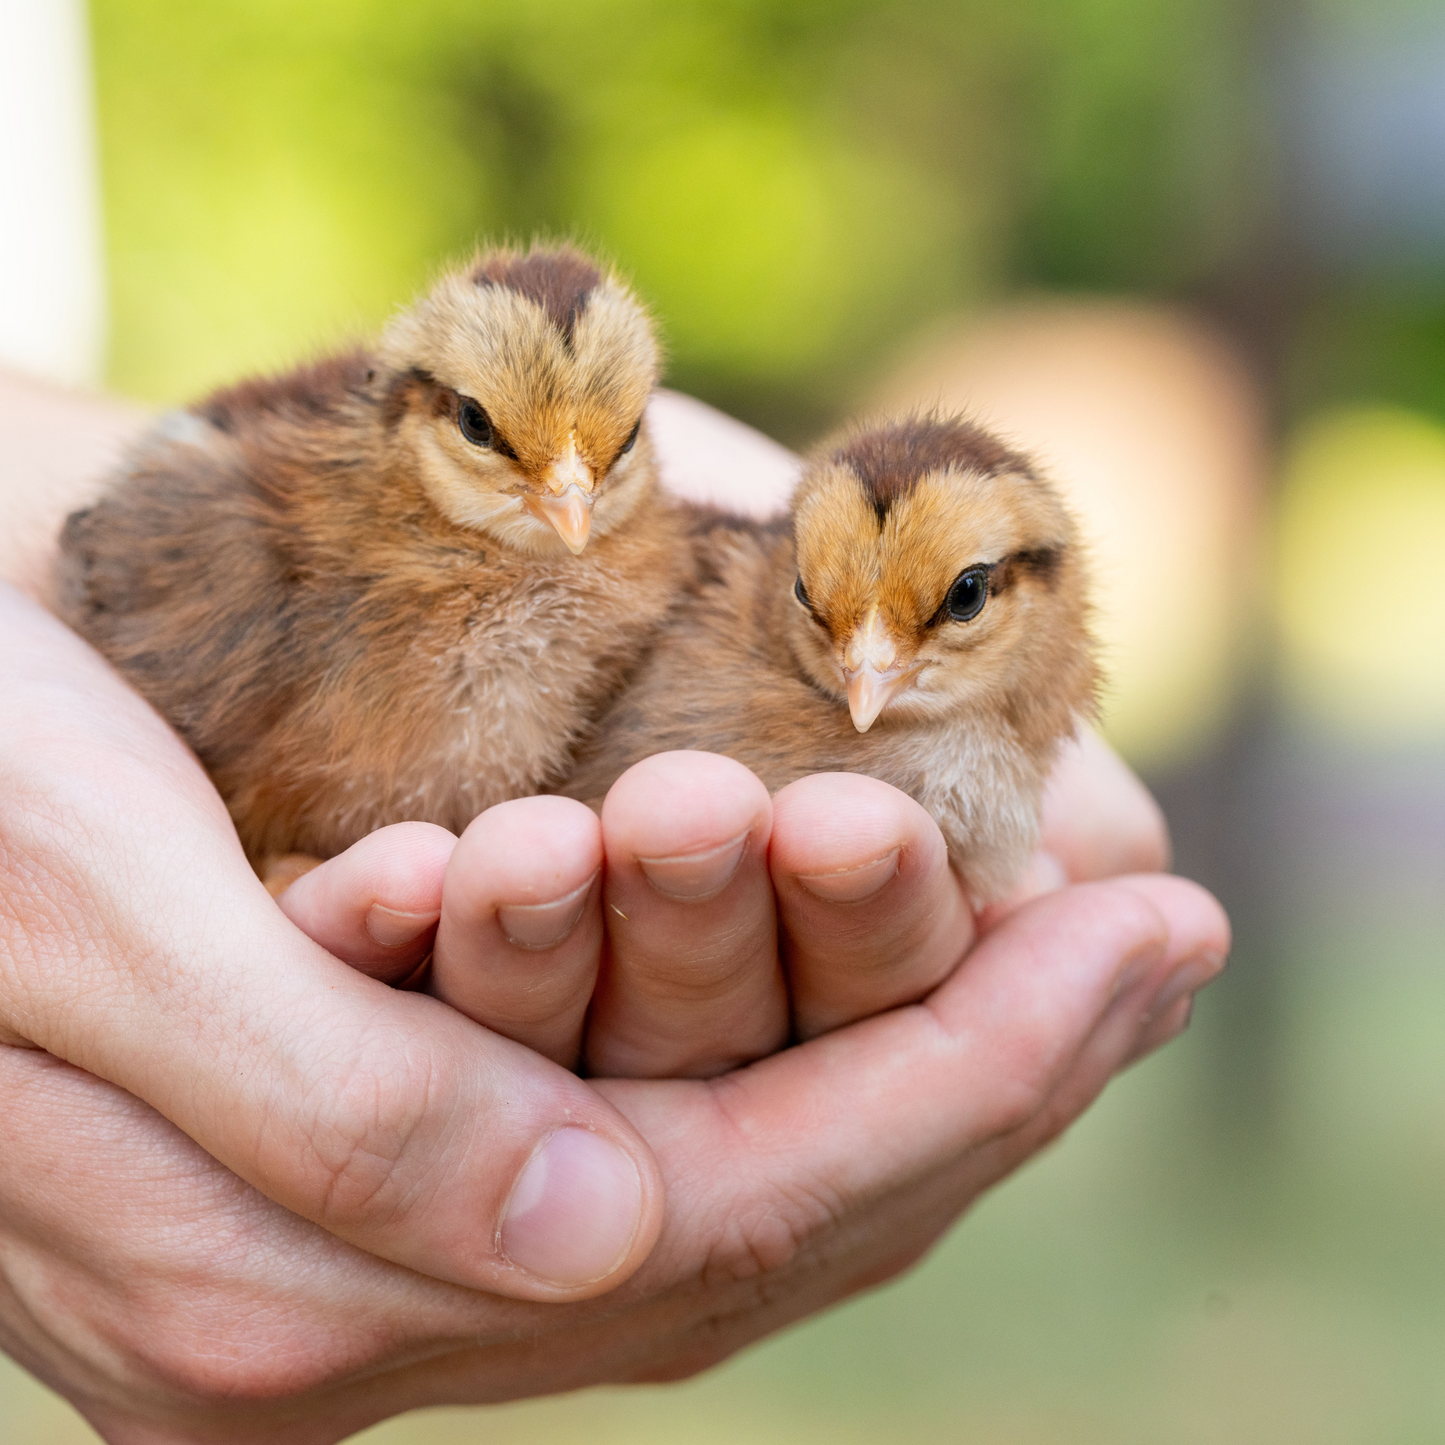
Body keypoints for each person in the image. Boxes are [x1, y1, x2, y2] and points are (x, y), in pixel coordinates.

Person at [0, 374, 1227, 1444]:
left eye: (952, 604)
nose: (863, 674)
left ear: (1043, 592)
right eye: (821, 606)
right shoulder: (681, 626)